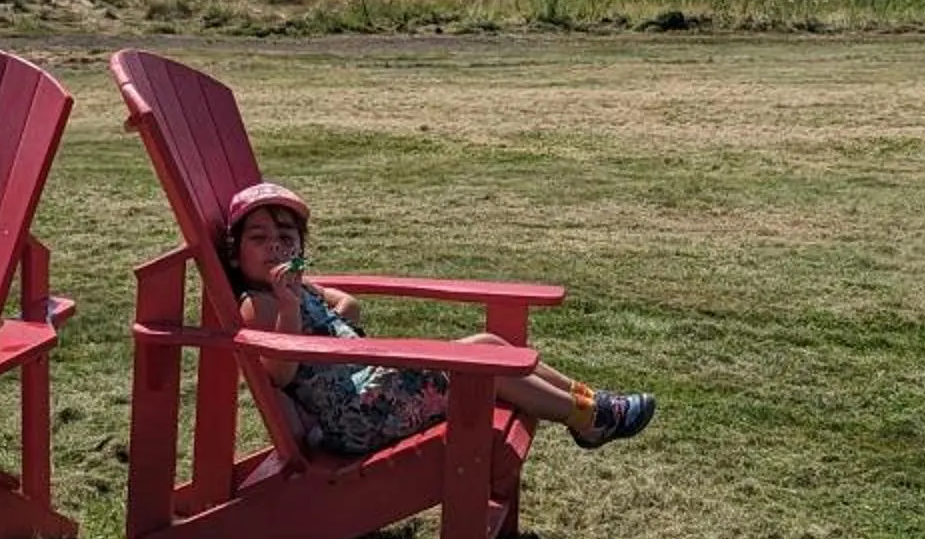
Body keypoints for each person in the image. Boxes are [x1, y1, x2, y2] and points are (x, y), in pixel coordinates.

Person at [220, 180, 656, 457]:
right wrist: (291, 305)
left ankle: (590, 401)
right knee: (482, 362)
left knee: (489, 344)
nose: (274, 246)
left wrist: (317, 303)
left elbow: (349, 306)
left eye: (286, 237)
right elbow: (277, 372)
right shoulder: (259, 304)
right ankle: (589, 419)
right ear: (236, 256)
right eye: (258, 238)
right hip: (356, 418)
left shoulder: (300, 288)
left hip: (371, 387)